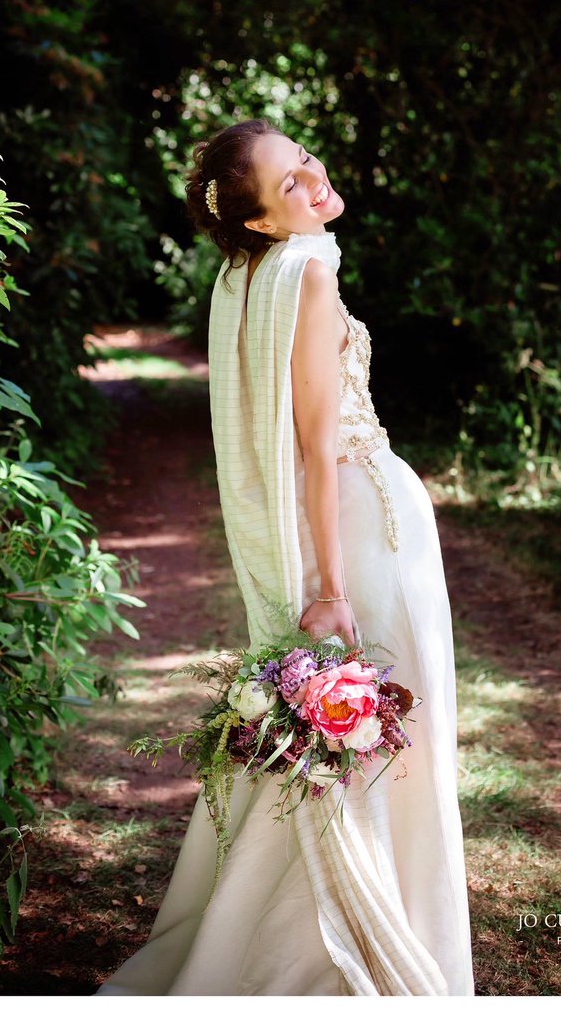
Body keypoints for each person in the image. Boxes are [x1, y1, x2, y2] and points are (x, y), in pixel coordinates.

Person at [94, 119, 474, 996]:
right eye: (289, 183)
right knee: (380, 747)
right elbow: (311, 445)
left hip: (368, 515)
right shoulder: (306, 270)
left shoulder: (249, 273)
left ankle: (302, 920)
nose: (312, 179)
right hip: (364, 527)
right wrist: (329, 589)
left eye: (305, 161)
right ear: (262, 221)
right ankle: (342, 944)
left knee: (363, 745)